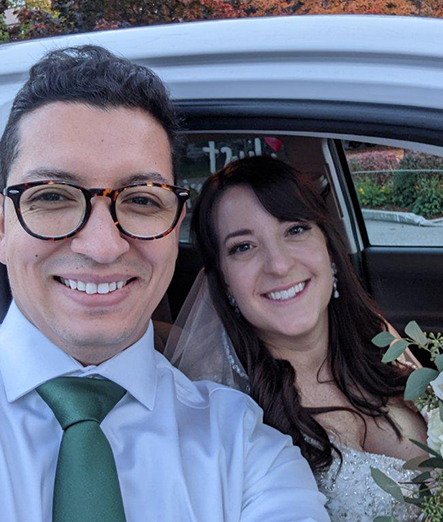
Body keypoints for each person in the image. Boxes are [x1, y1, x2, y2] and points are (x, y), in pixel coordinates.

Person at [0, 46, 330, 522]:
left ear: (175, 228)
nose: (102, 245)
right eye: (51, 196)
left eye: (142, 201)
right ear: (1, 228)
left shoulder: (243, 442)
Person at [165, 156, 428, 521]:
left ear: (329, 248)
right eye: (243, 247)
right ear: (224, 283)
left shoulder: (378, 337)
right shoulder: (218, 408)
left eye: (295, 230)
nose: (278, 264)